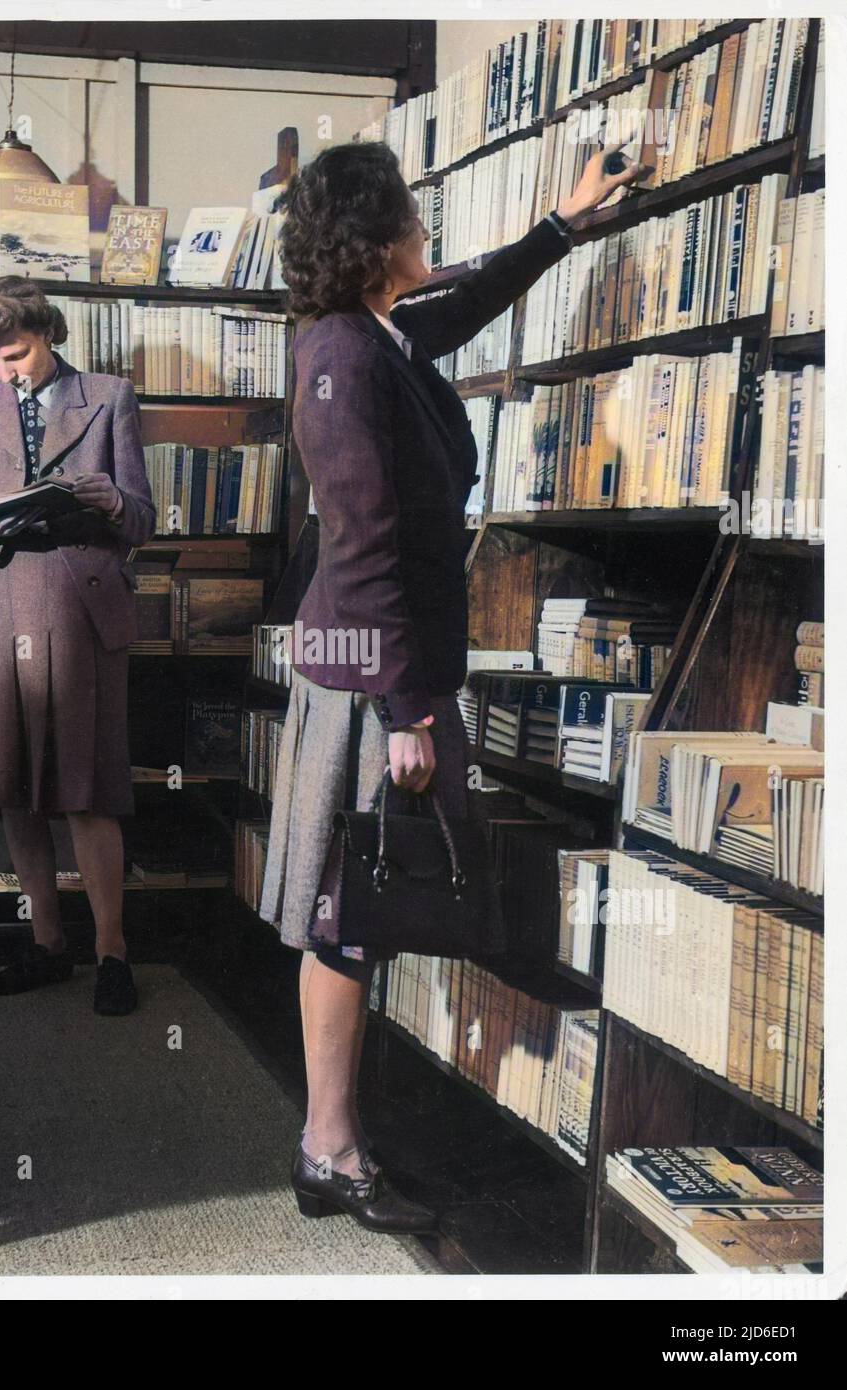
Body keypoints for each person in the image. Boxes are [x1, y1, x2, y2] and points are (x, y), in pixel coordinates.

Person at [260, 140, 639, 1232]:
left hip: (389, 668)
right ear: (377, 245)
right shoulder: (344, 354)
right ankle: (328, 1147)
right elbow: (362, 540)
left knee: (363, 904)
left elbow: (466, 303)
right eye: (413, 225)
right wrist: (403, 711)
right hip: (374, 677)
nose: (429, 239)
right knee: (351, 907)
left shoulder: (377, 335)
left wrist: (565, 225)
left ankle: (331, 1140)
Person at [0, 276, 155, 1015]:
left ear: (50, 334)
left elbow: (142, 520)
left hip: (80, 602)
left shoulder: (109, 395)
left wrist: (108, 498)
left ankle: (112, 955)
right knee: (14, 790)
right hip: (3, 601)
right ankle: (46, 944)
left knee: (87, 790)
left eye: (18, 355)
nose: (6, 373)